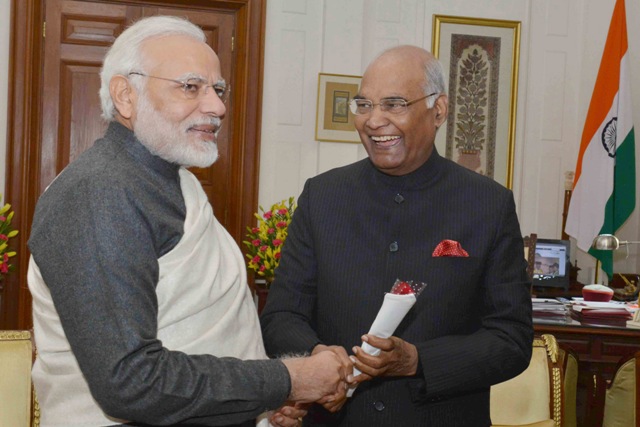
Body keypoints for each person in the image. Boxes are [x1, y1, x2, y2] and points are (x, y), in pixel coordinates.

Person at [27, 15, 348, 427]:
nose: (218, 107)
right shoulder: (99, 192)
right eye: (190, 87)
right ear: (125, 95)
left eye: (218, 89)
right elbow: (131, 382)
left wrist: (259, 402)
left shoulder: (169, 178)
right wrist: (288, 380)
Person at [260, 45, 533, 427]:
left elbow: (511, 339)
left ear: (438, 110)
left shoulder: (488, 204)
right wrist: (319, 359)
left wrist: (418, 361)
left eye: (394, 104)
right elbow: (281, 316)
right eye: (364, 105)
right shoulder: (322, 197)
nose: (374, 121)